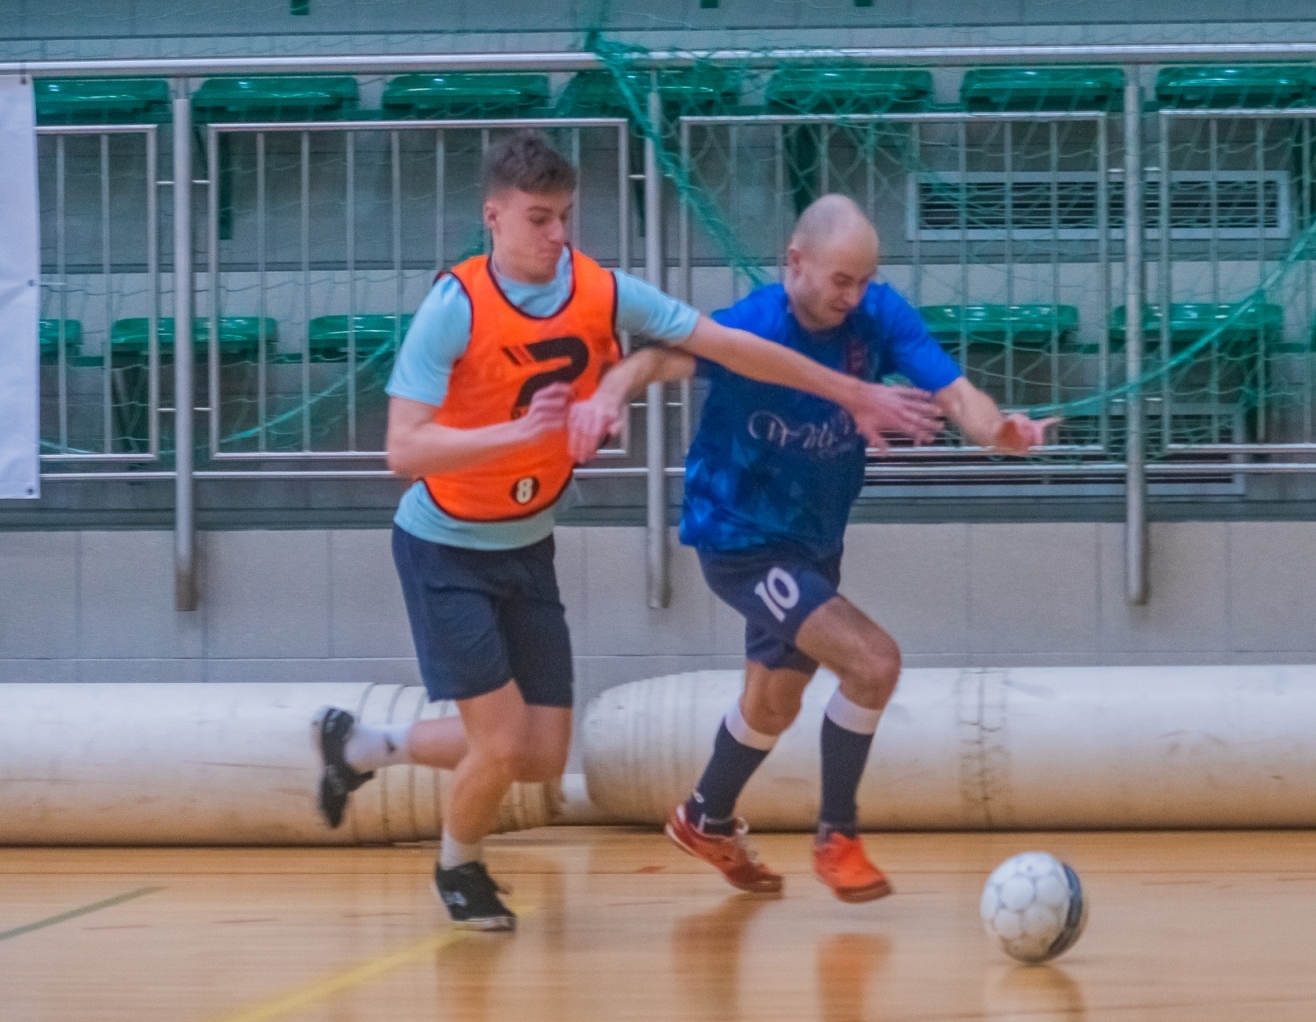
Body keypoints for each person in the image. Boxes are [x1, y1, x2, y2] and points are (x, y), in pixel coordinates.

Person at [311, 135, 942, 932]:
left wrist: (849, 390)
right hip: (444, 543)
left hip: (525, 544)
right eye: (538, 219)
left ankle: (364, 747)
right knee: (502, 745)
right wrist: (517, 435)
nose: (556, 235)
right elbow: (404, 450)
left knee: (539, 757)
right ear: (493, 217)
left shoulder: (600, 290)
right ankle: (459, 869)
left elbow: (732, 345)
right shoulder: (456, 306)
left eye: (565, 217)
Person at [589, 194, 1058, 903]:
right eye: (841, 280)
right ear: (795, 263)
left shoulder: (878, 317)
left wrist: (999, 433)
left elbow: (955, 392)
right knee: (873, 662)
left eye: (865, 279)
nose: (855, 295)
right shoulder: (754, 325)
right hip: (740, 537)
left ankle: (703, 818)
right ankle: (837, 834)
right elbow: (661, 358)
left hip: (813, 541)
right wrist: (611, 390)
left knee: (772, 704)